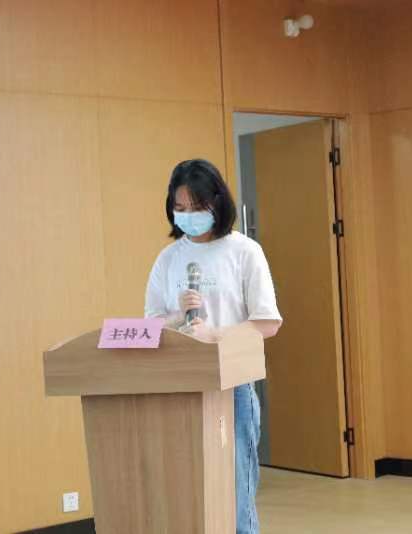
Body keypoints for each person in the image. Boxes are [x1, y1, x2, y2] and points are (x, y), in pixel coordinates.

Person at [144, 159, 282, 533]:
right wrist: (177, 317)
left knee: (235, 494)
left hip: (231, 385)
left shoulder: (244, 251)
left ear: (217, 202)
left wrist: (214, 335)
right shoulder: (168, 258)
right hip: (178, 386)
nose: (188, 216)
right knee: (187, 491)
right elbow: (149, 326)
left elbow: (267, 323)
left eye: (197, 207)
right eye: (180, 208)